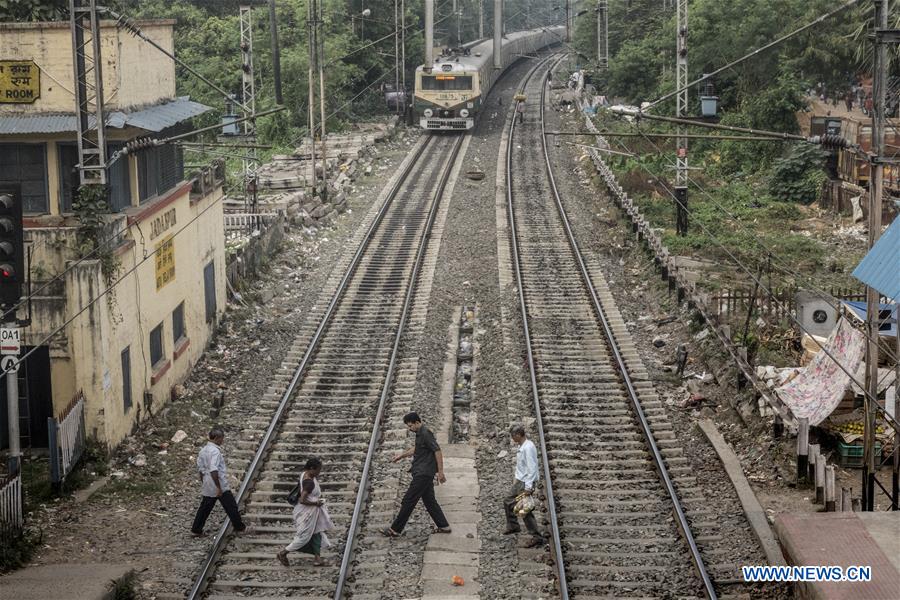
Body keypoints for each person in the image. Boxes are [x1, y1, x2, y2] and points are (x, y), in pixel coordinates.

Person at [383, 412, 450, 537]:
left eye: (410, 426)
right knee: (429, 501)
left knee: (409, 500)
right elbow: (417, 448)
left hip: (423, 474)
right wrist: (401, 456)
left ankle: (395, 529)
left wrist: (441, 472)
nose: (409, 429)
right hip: (423, 472)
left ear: (417, 422)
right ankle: (444, 526)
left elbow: (437, 451)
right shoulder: (420, 434)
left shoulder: (425, 433)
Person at [191, 426, 250, 537]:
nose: (223, 441)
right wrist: (218, 487)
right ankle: (240, 528)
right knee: (231, 506)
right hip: (218, 483)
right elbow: (214, 469)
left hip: (207, 482)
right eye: (222, 438)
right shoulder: (215, 452)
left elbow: (200, 469)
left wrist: (203, 482)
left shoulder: (203, 450)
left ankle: (196, 529)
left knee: (205, 507)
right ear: (217, 438)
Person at [277, 457, 334, 567]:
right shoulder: (309, 483)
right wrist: (316, 503)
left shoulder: (304, 473)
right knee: (304, 536)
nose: (319, 472)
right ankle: (283, 553)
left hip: (310, 513)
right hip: (307, 513)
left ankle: (318, 559)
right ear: (312, 468)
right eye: (318, 470)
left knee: (316, 532)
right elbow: (302, 500)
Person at [503, 425, 543, 548]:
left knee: (525, 510)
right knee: (508, 501)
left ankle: (537, 536)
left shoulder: (528, 448)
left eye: (513, 436)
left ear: (518, 435)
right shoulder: (523, 446)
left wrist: (528, 487)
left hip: (525, 482)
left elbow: (532, 468)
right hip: (520, 481)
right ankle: (513, 526)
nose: (512, 439)